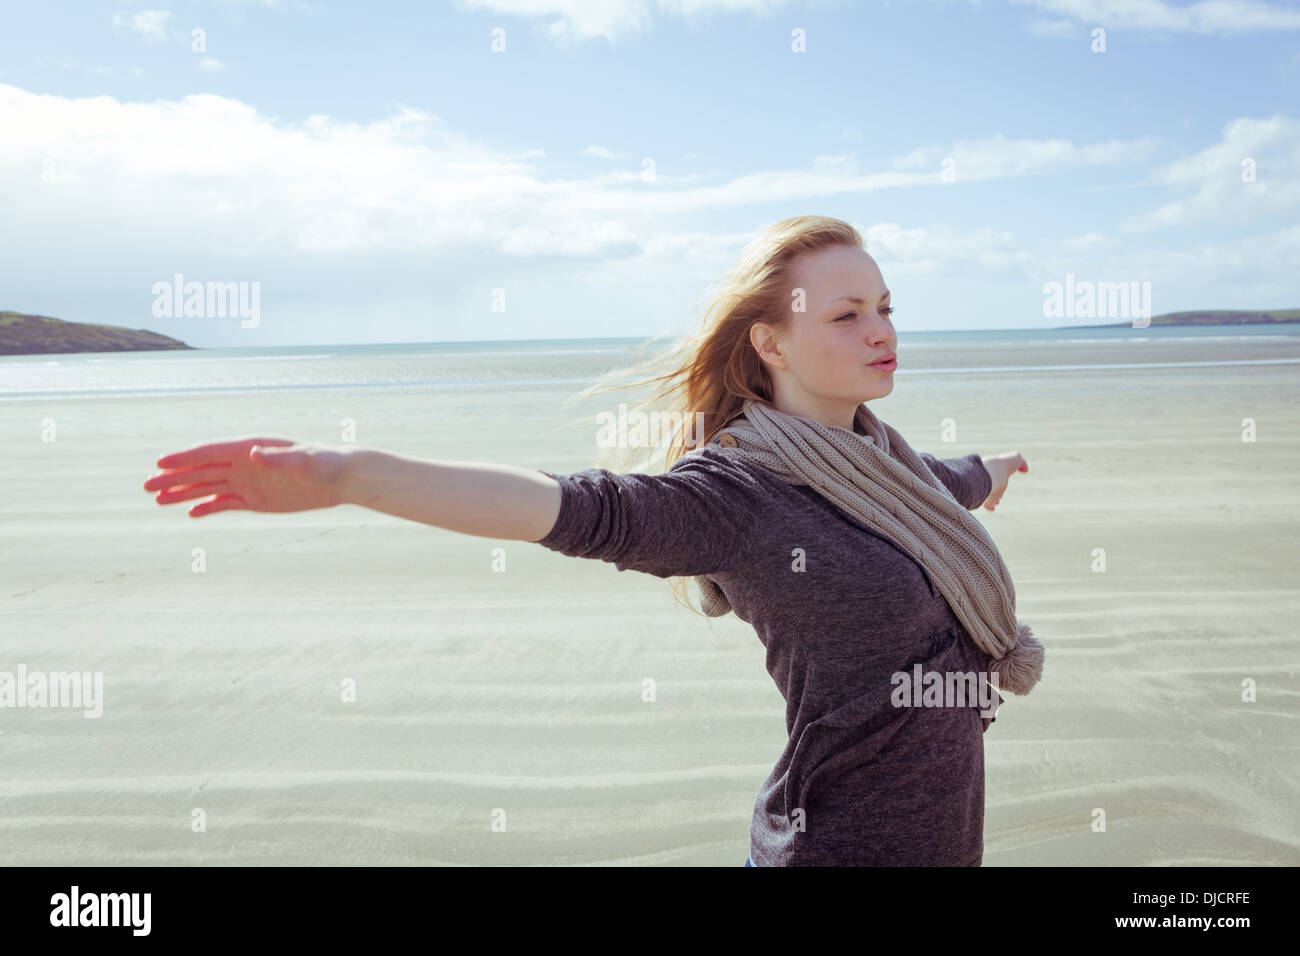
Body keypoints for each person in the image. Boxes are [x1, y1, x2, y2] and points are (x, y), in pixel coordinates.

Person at [142, 215, 1030, 866]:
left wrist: (994, 466)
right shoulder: (737, 496)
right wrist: (352, 477)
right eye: (846, 315)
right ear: (773, 343)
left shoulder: (893, 469)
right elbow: (564, 506)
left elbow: (946, 489)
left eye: (884, 306)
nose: (881, 330)